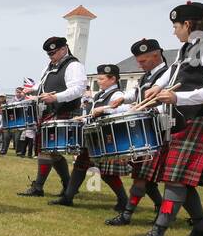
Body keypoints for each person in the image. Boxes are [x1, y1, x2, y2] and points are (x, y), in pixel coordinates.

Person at [128, 1, 203, 236]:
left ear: (188, 24)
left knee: (176, 177)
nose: (174, 31)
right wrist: (158, 87)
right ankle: (202, 226)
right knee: (179, 177)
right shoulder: (189, 47)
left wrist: (178, 97)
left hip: (201, 117)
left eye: (175, 26)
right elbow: (174, 71)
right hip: (183, 119)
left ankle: (157, 234)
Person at [106, 39, 169, 226]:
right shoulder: (148, 75)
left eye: (143, 61)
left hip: (159, 130)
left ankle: (127, 215)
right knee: (145, 177)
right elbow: (137, 93)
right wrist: (123, 99)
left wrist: (148, 111)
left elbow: (169, 103)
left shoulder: (167, 75)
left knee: (142, 177)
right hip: (146, 131)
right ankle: (160, 206)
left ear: (156, 56)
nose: (139, 65)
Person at [17, 37, 85, 197]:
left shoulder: (74, 65)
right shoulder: (49, 67)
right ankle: (68, 184)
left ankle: (38, 187)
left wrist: (56, 98)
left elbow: (78, 89)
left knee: (47, 150)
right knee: (51, 151)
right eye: (49, 54)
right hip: (50, 111)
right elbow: (42, 86)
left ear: (64, 49)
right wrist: (32, 90)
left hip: (64, 110)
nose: (51, 56)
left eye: (53, 53)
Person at [80, 63, 135, 212]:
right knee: (103, 172)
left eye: (102, 78)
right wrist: (83, 119)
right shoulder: (99, 95)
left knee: (108, 173)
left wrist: (104, 109)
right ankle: (124, 200)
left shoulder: (117, 94)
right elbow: (93, 114)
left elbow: (128, 108)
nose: (99, 81)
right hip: (99, 136)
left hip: (110, 137)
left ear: (113, 79)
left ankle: (124, 200)